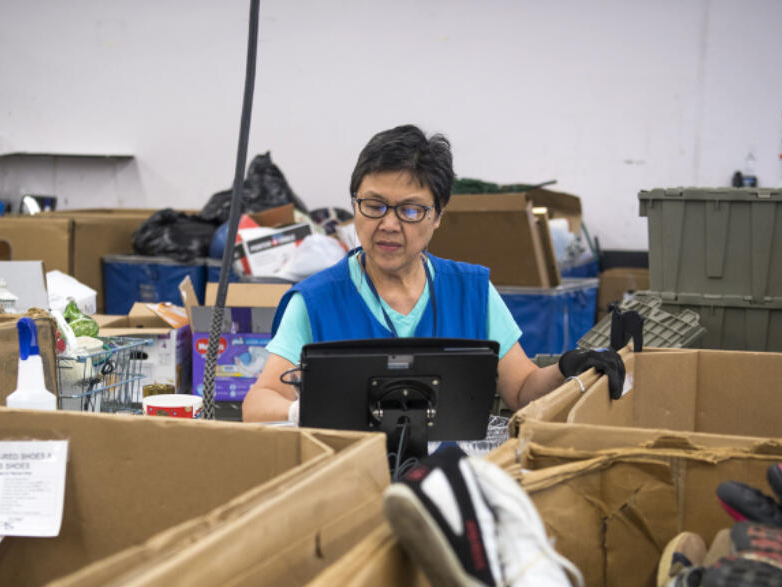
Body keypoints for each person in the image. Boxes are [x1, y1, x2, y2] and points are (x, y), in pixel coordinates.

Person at [241, 124, 620, 425]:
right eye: (373, 206)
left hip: (448, 487)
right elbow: (257, 403)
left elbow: (521, 390)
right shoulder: (317, 301)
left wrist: (570, 367)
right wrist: (300, 413)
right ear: (354, 205)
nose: (388, 224)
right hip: (352, 482)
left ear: (438, 217)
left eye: (410, 211)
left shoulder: (471, 292)